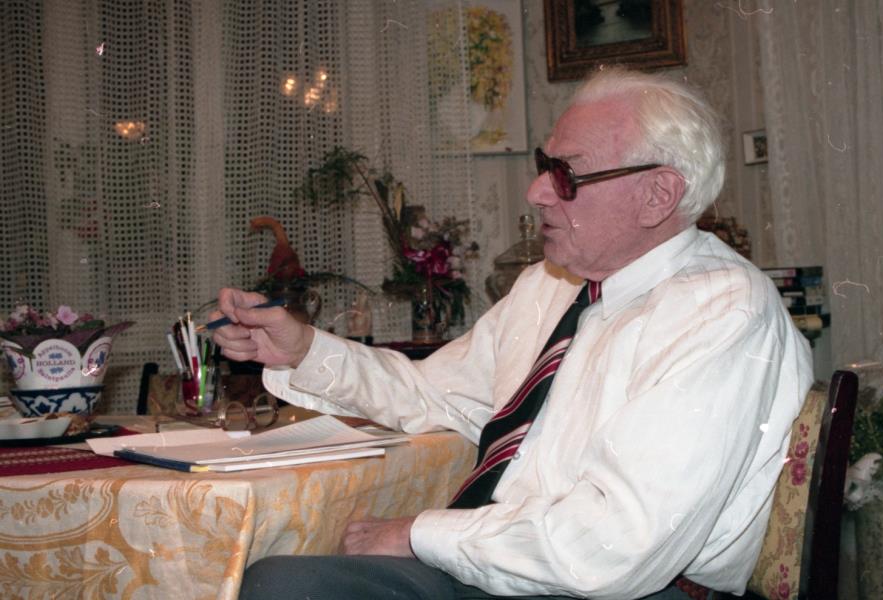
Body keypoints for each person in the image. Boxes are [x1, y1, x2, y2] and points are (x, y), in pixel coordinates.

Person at [214, 67, 813, 600]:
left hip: (621, 587)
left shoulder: (721, 312)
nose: (536, 192)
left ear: (657, 195)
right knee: (275, 580)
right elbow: (434, 392)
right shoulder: (548, 287)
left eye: (566, 174)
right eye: (544, 166)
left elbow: (615, 545)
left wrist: (420, 535)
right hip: (508, 563)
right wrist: (303, 349)